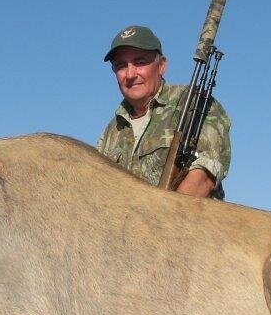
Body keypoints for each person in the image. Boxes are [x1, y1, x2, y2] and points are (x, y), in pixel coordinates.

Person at [97, 25, 231, 199]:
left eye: (140, 62)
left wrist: (155, 222)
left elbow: (203, 177)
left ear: (161, 65)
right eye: (121, 66)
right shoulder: (111, 131)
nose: (130, 74)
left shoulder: (195, 103)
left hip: (183, 223)